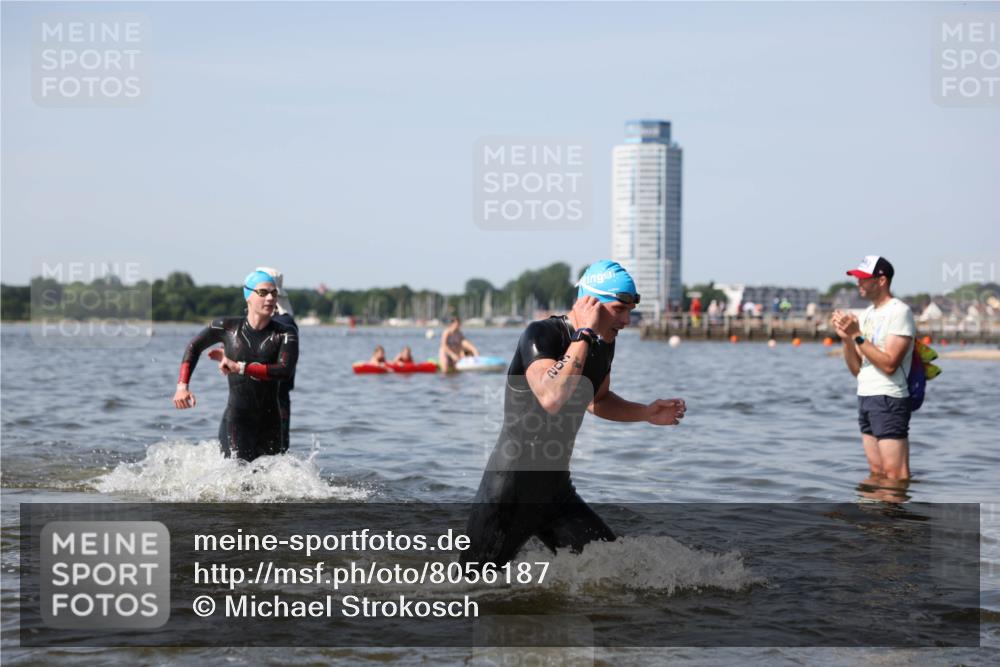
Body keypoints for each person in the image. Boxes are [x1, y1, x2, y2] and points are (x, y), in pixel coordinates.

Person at [461, 260, 687, 567]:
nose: (627, 321)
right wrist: (583, 334)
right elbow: (552, 396)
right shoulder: (541, 335)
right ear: (589, 303)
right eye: (619, 309)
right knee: (470, 589)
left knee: (616, 573)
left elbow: (598, 399)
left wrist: (645, 413)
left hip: (555, 492)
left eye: (630, 310)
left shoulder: (603, 343)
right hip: (509, 493)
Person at [173, 270, 299, 462]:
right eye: (263, 293)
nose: (270, 298)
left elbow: (284, 371)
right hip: (237, 421)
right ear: (248, 296)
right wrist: (182, 387)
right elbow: (193, 346)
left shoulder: (285, 333)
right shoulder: (227, 327)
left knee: (269, 485)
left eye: (274, 293)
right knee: (238, 481)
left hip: (270, 423)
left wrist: (239, 367)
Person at [831, 255, 915, 481]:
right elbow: (857, 370)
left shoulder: (899, 311)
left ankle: (898, 515)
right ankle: (877, 517)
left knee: (895, 475)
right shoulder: (867, 314)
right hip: (866, 396)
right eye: (857, 278)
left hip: (889, 397)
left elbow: (889, 364)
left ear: (881, 281)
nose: (858, 283)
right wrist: (847, 339)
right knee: (877, 473)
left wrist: (856, 335)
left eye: (864, 278)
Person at [257, 267, 298, 454]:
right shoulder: (266, 322)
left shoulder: (284, 324)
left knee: (276, 454)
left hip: (275, 398)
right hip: (256, 397)